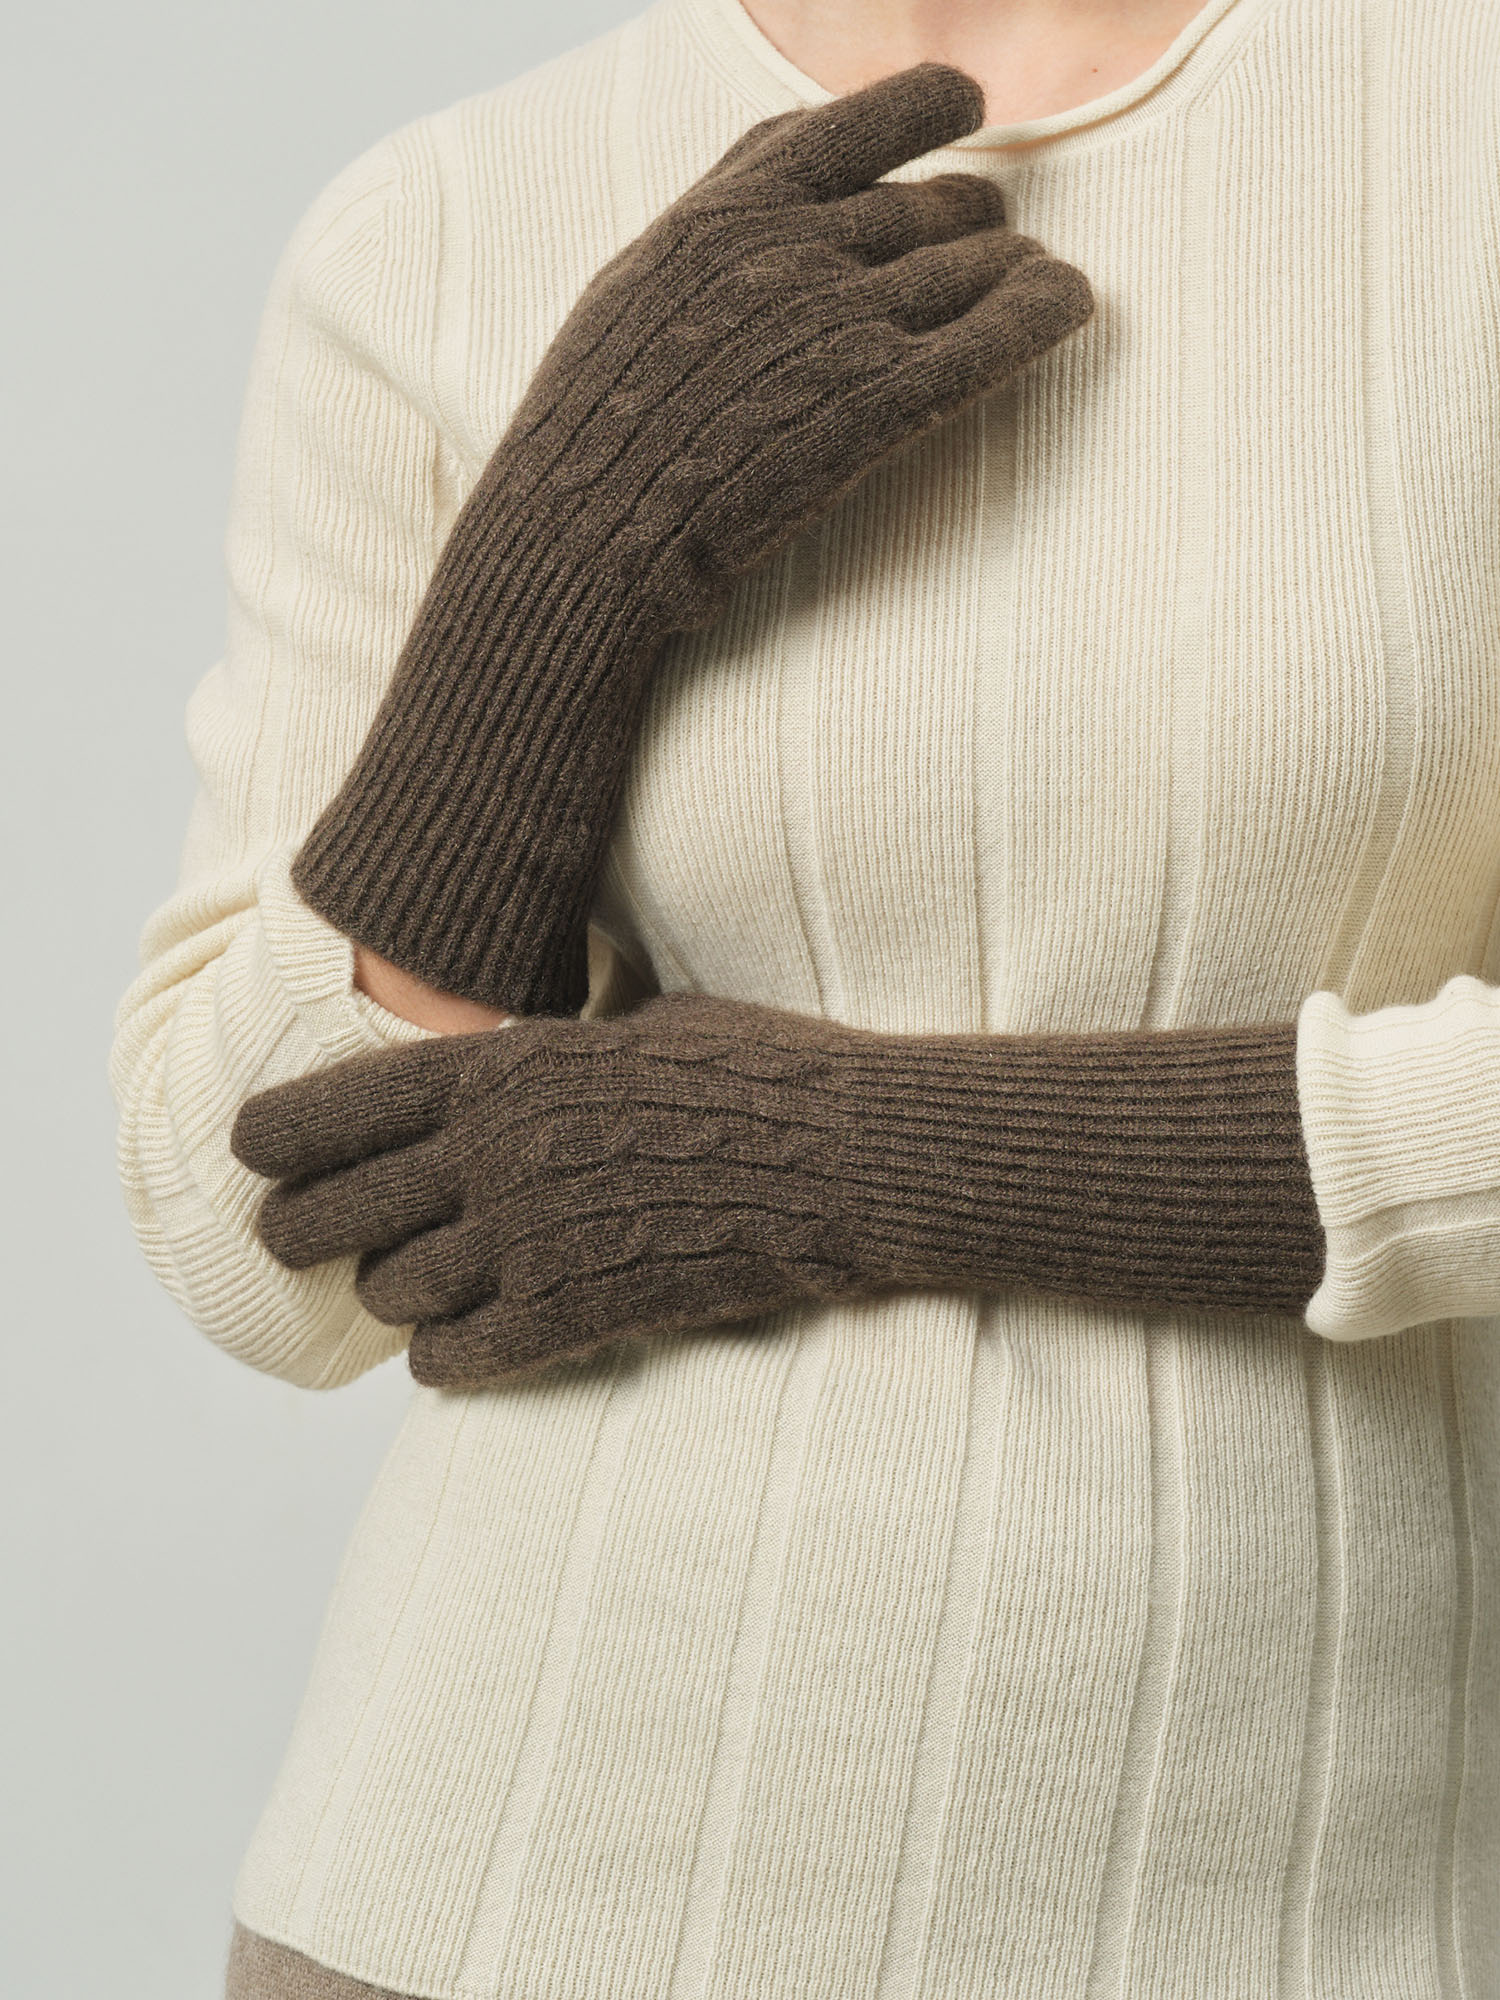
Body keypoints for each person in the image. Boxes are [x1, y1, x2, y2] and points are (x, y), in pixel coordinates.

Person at [109, 0, 1500, 1994]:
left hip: (1283, 1914)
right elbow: (265, 1253)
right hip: (471, 1897)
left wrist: (838, 1161)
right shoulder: (438, 228)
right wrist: (554, 572)